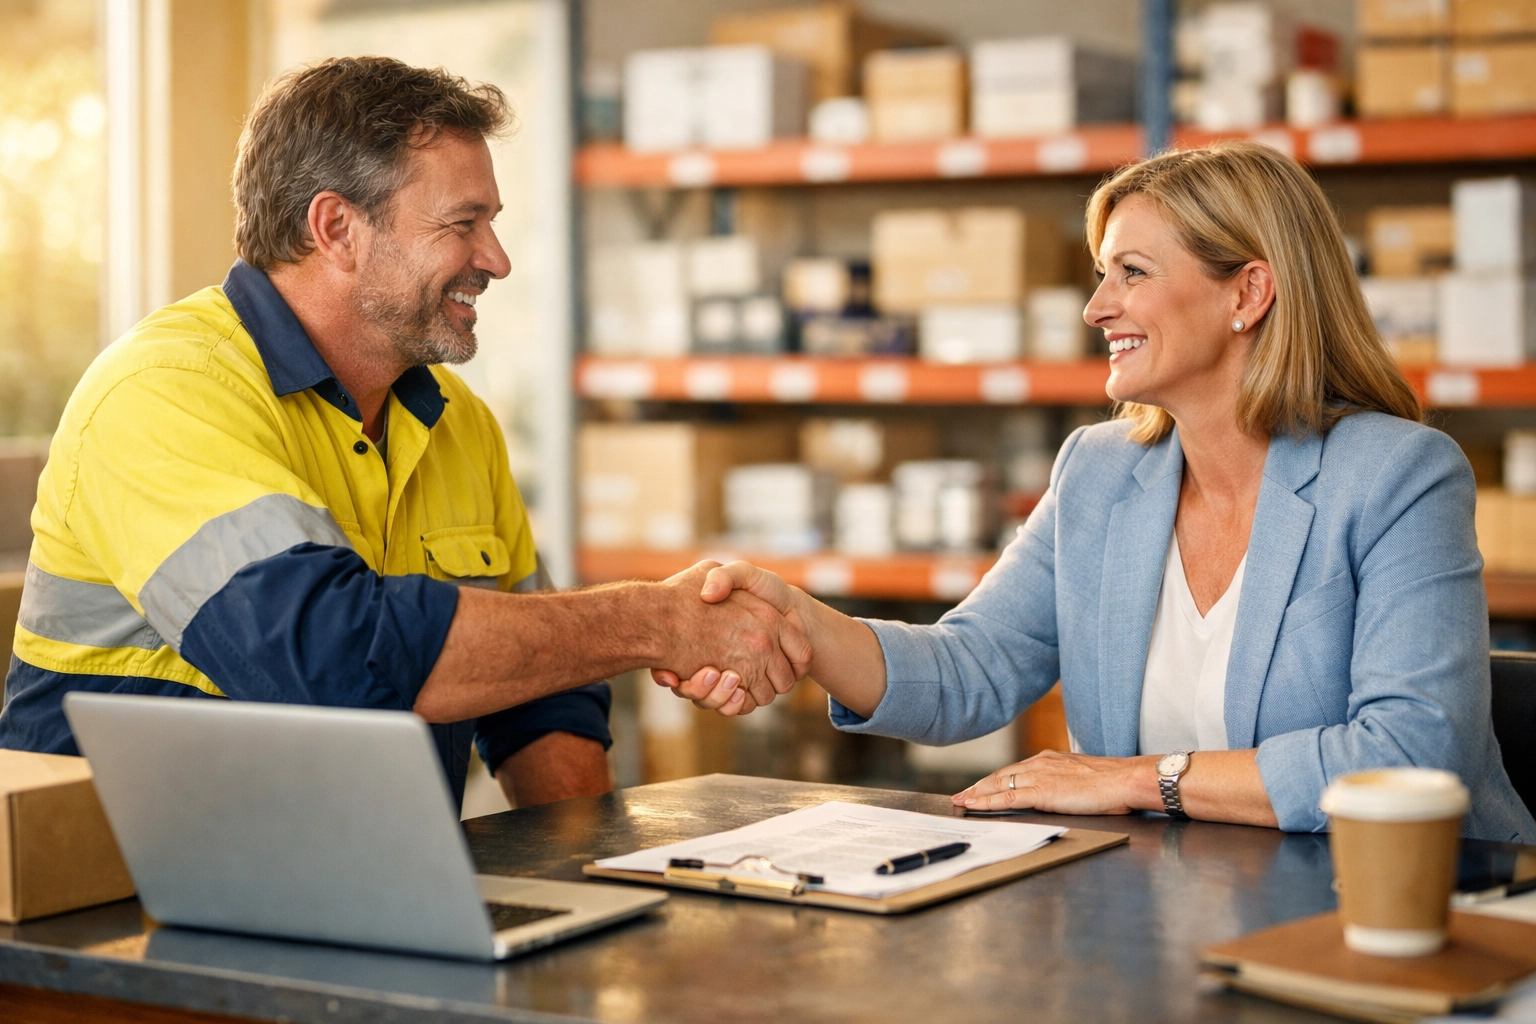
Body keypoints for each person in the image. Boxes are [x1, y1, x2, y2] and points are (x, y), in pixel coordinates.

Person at [660, 141, 1535, 842]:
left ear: (1250, 292)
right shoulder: (1100, 471)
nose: (1096, 308)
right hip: (1165, 906)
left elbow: (1414, 753)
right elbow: (973, 666)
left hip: (1398, 916)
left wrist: (1132, 780)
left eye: (1132, 273)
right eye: (1099, 274)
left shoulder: (1397, 478)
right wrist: (803, 626)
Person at [0, 57, 807, 809]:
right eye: (464, 223)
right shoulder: (163, 394)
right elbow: (327, 655)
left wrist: (585, 879)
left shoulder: (458, 425)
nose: (496, 259)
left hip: (366, 894)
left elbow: (543, 690)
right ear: (337, 229)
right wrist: (656, 620)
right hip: (117, 916)